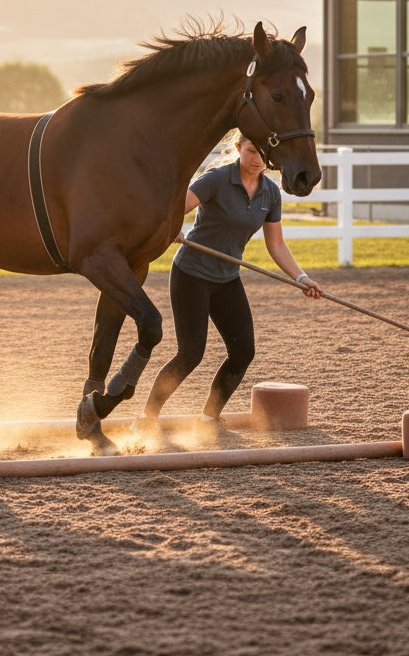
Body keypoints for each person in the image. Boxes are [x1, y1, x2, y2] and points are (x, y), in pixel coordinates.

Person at [136, 133, 322, 439]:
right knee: (190, 354)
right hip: (191, 274)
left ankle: (209, 418)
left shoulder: (270, 194)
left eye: (262, 153)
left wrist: (300, 278)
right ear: (238, 149)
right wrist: (169, 229)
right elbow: (175, 208)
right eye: (250, 151)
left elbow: (276, 245)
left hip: (227, 278)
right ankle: (147, 417)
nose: (257, 158)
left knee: (243, 351)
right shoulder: (216, 179)